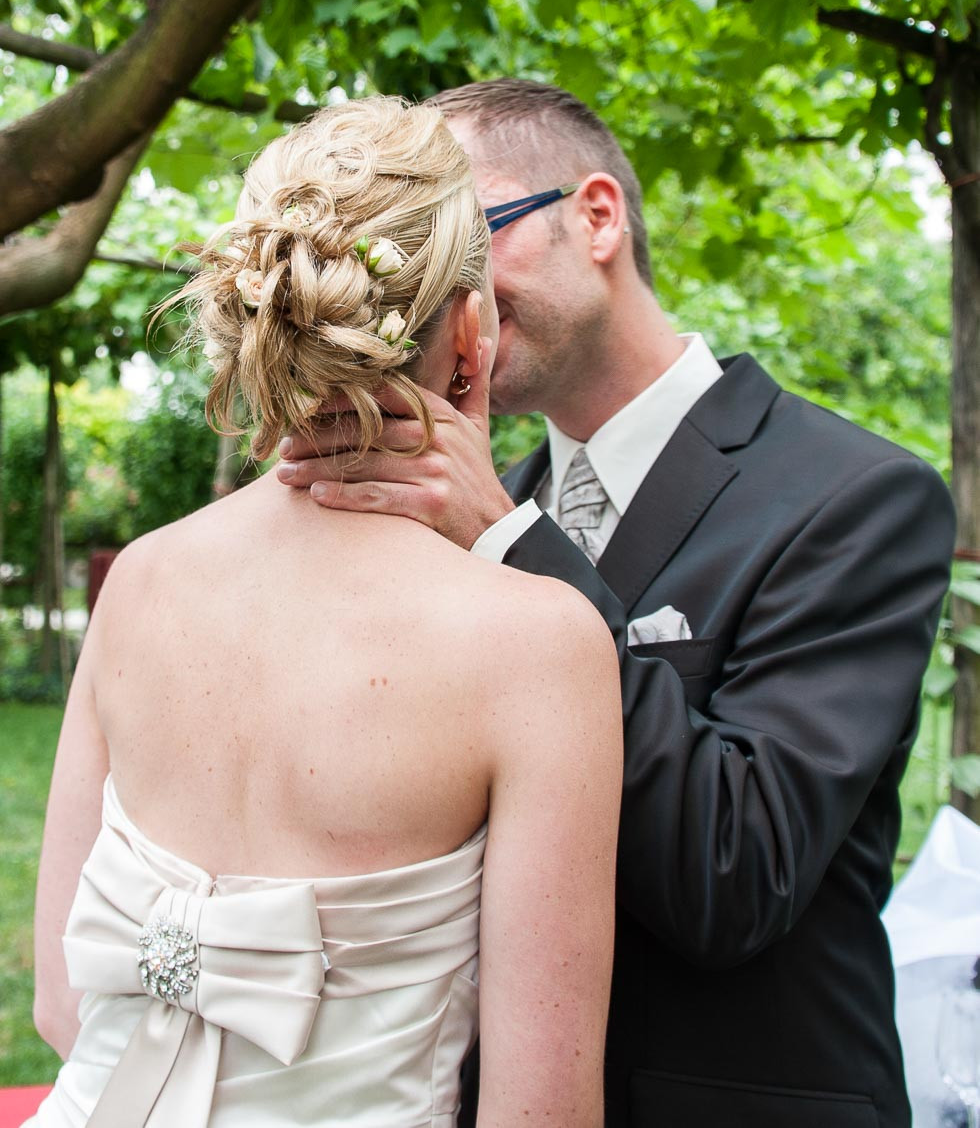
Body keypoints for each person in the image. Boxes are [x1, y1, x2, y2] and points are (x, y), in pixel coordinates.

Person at [278, 80, 957, 1128]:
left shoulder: (856, 499)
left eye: (464, 242)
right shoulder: (472, 508)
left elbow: (739, 871)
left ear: (594, 217)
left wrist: (510, 543)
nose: (429, 292)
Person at [29, 96, 623, 1128]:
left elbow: (60, 1002)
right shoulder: (537, 643)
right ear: (470, 335)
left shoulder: (142, 581)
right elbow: (541, 1110)